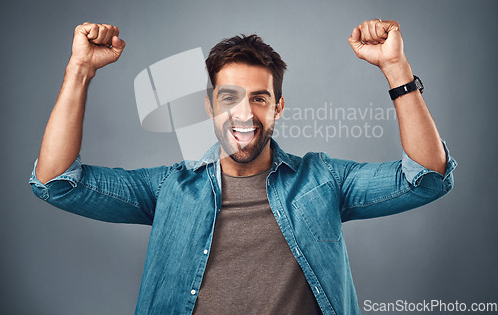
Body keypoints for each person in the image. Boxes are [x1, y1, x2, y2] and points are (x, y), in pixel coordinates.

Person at [30, 20, 457, 314]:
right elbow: (57, 183)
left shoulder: (322, 181)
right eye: (229, 97)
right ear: (210, 106)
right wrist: (80, 69)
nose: (245, 115)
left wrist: (395, 67)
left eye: (259, 98)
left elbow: (428, 178)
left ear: (278, 108)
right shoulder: (170, 189)